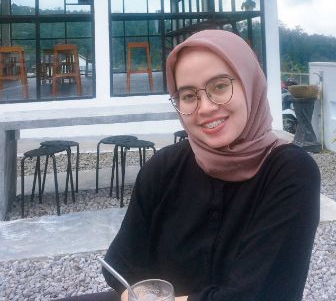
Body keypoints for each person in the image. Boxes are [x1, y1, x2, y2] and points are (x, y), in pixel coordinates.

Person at [103, 29, 320, 301]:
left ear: (249, 84)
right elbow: (121, 267)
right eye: (188, 95)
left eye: (219, 86)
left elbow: (254, 295)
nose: (204, 108)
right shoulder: (164, 168)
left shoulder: (290, 172)